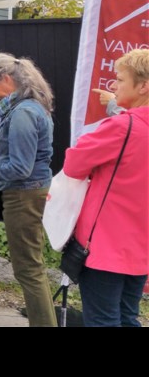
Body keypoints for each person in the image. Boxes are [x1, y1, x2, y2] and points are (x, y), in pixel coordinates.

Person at [0, 53, 58, 327]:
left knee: (29, 270)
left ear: (6, 78)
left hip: (23, 195)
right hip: (28, 192)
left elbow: (20, 168)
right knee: (31, 268)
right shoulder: (29, 107)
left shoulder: (24, 113)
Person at [63, 49, 148, 327]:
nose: (114, 85)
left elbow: (74, 163)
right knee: (127, 317)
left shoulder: (122, 127)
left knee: (102, 320)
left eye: (120, 79)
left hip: (105, 246)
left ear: (143, 86)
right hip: (141, 248)